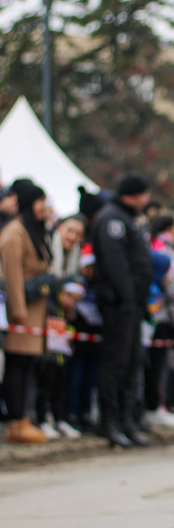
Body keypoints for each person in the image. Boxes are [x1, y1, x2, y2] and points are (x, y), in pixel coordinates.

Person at [91, 173, 153, 448]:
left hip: (133, 305)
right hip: (119, 304)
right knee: (116, 363)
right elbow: (116, 266)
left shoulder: (126, 218)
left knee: (130, 364)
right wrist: (128, 298)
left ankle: (127, 421)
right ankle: (110, 422)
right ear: (137, 194)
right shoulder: (113, 220)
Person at [0, 180, 51, 444]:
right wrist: (17, 310)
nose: (45, 207)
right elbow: (11, 274)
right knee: (16, 367)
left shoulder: (34, 230)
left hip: (36, 310)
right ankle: (16, 422)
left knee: (28, 367)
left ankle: (23, 420)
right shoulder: (14, 232)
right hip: (19, 312)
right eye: (41, 202)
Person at [143, 214, 174, 429]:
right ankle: (153, 406)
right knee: (157, 364)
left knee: (160, 363)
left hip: (164, 314)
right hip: (161, 313)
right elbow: (170, 284)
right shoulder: (162, 250)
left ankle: (157, 405)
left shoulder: (160, 247)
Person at [37, 277, 86, 440]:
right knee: (45, 389)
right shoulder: (49, 308)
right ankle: (42, 420)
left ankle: (60, 419)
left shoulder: (70, 315)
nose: (71, 303)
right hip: (48, 356)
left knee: (61, 389)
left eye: (75, 300)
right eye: (69, 297)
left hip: (62, 357)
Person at [66, 245, 103, 432]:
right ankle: (71, 413)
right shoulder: (77, 284)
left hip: (95, 343)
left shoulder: (100, 285)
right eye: (87, 267)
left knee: (89, 381)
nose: (90, 271)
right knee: (74, 379)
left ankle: (85, 413)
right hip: (78, 343)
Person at [50, 214, 87, 278]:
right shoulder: (46, 248)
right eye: (69, 231)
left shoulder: (78, 254)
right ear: (60, 228)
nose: (72, 237)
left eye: (78, 234)